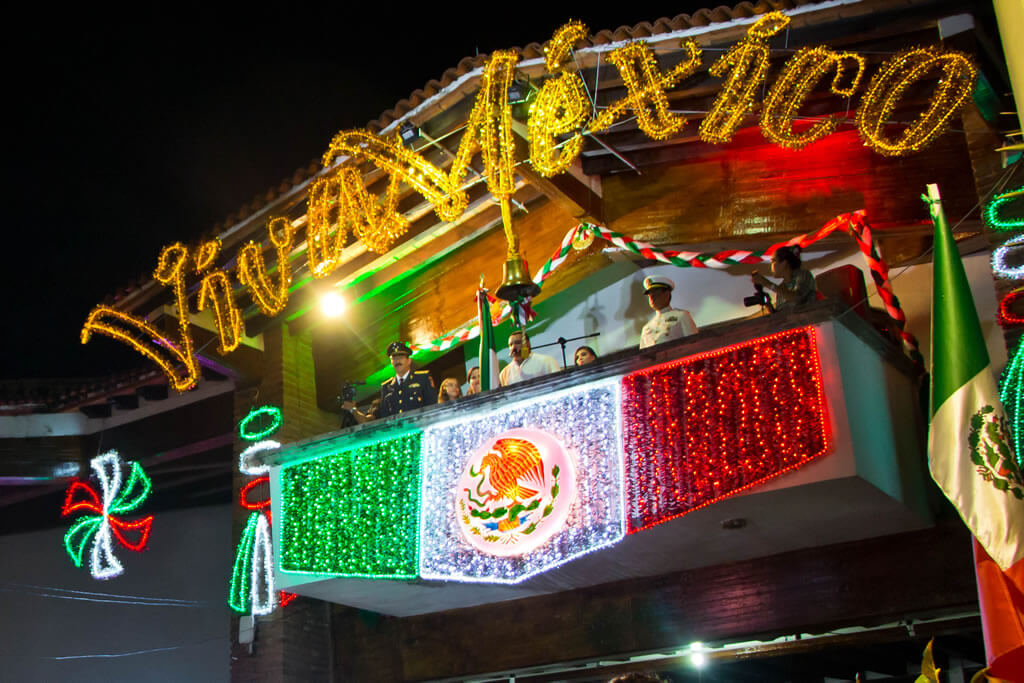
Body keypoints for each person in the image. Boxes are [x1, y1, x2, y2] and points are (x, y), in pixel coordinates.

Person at [378, 342, 436, 418]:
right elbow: (385, 414)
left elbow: (432, 405)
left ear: (409, 361)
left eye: (400, 357)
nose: (397, 361)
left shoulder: (422, 378)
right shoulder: (386, 387)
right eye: (394, 359)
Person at [751, 246, 817, 312]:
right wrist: (769, 305)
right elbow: (781, 315)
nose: (771, 266)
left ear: (784, 263)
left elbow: (798, 299)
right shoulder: (781, 287)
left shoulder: (803, 275)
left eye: (773, 261)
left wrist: (767, 283)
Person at [639, 276, 698, 349]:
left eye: (655, 292)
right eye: (649, 294)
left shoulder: (681, 316)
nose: (651, 296)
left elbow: (694, 344)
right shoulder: (646, 328)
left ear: (667, 293)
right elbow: (644, 355)